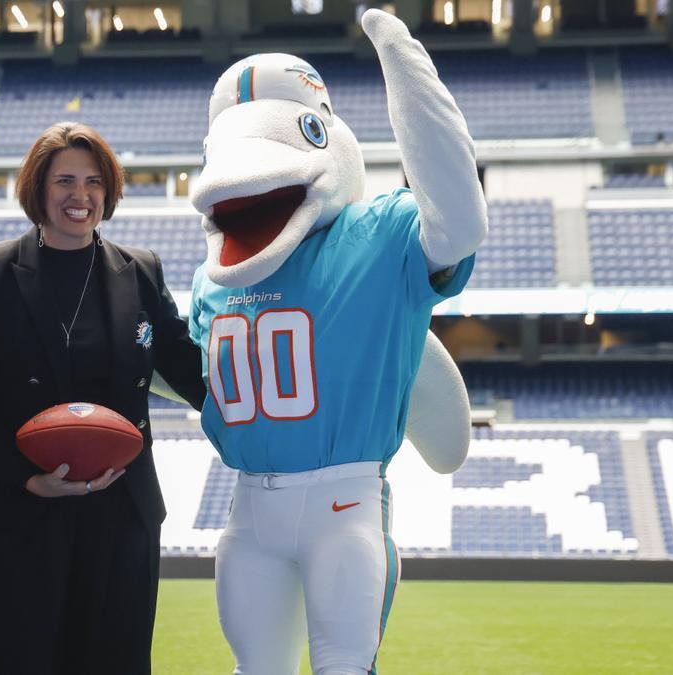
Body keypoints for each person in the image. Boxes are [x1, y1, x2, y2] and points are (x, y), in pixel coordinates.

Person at [188, 11, 486, 674]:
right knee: (254, 667)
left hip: (343, 500)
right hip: (248, 501)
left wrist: (404, 66)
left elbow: (456, 221)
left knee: (344, 666)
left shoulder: (376, 235)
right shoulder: (212, 279)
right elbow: (181, 367)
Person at [0, 122, 206, 674]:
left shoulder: (140, 270)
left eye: (93, 182)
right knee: (14, 658)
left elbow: (187, 365)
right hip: (21, 506)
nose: (80, 195)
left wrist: (260, 409)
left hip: (121, 508)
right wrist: (26, 475)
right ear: (38, 188)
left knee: (114, 659)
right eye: (64, 180)